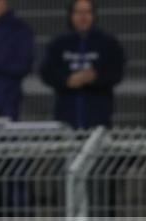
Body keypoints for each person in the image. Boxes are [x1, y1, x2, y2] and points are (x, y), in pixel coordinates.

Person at [39, 0, 126, 129]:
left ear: (94, 15)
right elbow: (46, 72)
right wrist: (67, 80)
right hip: (66, 117)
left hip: (99, 117)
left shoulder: (108, 43)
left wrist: (94, 78)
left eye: (87, 12)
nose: (83, 17)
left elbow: (117, 72)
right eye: (78, 12)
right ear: (71, 15)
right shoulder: (59, 43)